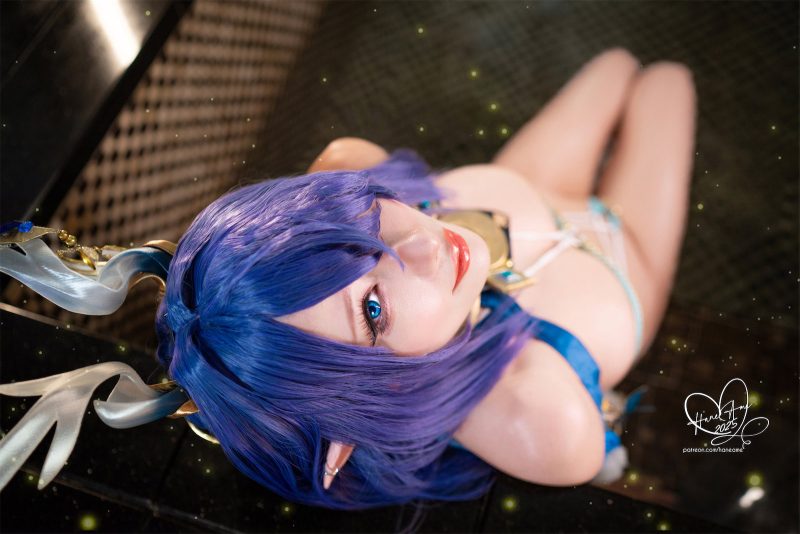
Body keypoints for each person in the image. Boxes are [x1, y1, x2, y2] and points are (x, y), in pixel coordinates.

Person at [0, 48, 696, 510]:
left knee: (616, 65)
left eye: (358, 229)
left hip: (528, 185)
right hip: (622, 250)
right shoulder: (539, 420)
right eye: (372, 313)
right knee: (668, 82)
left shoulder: (367, 191)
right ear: (355, 423)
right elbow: (572, 444)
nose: (423, 243)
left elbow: (347, 162)